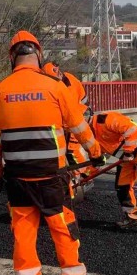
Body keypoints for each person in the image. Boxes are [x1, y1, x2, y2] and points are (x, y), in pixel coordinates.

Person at [0, 31, 106, 275]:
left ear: (11, 57)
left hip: (17, 177)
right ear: (39, 55)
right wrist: (96, 153)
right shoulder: (54, 86)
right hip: (51, 175)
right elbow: (79, 126)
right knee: (62, 225)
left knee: (23, 229)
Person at [41, 62, 96, 191]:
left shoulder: (66, 87)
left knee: (72, 151)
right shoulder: (67, 78)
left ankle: (84, 177)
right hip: (79, 116)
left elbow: (68, 113)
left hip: (78, 118)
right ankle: (79, 177)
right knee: (69, 151)